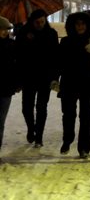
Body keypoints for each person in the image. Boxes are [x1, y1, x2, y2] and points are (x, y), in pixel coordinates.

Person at [58, 12, 90, 158]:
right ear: (72, 26)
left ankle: (84, 147)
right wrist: (55, 79)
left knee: (86, 116)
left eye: (83, 24)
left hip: (87, 84)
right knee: (68, 115)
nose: (80, 27)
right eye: (77, 24)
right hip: (69, 83)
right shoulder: (65, 42)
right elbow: (59, 63)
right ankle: (67, 140)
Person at [16, 9, 60, 147]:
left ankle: (39, 136)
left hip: (45, 77)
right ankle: (31, 129)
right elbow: (18, 54)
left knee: (41, 107)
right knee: (26, 107)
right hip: (28, 77)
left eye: (42, 21)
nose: (40, 24)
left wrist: (55, 76)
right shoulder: (23, 33)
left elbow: (55, 57)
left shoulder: (51, 33)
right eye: (37, 22)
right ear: (32, 22)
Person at [0, 16, 20, 163]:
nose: (5, 32)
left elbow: (16, 66)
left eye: (7, 29)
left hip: (5, 88)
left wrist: (17, 83)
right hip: (5, 87)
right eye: (3, 29)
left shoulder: (12, 45)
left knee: (0, 121)